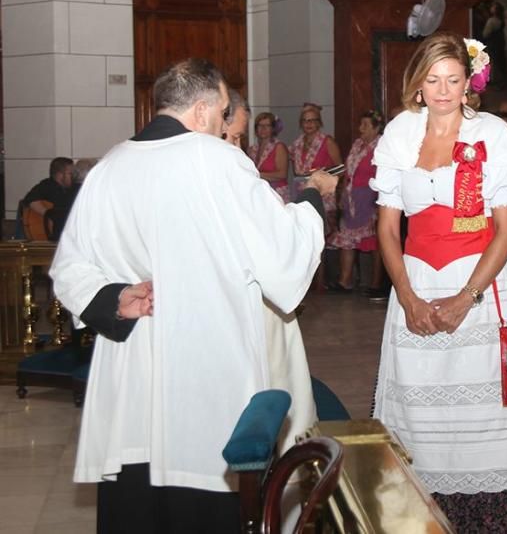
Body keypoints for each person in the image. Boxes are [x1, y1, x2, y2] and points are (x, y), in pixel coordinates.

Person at [48, 58, 334, 533]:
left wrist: (115, 298)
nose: (225, 126)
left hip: (131, 372)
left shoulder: (108, 166)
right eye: (224, 114)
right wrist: (312, 201)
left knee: (137, 505)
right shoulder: (218, 161)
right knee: (203, 505)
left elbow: (70, 267)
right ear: (202, 112)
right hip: (206, 375)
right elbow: (282, 257)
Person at [370, 32, 507, 532]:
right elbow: (387, 227)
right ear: (417, 85)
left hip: (481, 284)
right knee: (420, 399)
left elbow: (506, 231)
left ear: (469, 83)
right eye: (432, 80)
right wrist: (406, 295)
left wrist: (467, 298)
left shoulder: (492, 133)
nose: (443, 90)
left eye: (453, 79)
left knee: (486, 401)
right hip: (416, 277)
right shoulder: (401, 132)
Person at [221, 95, 319, 453]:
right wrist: (313, 196)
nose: (239, 147)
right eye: (233, 137)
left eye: (241, 139)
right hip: (248, 298)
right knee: (275, 371)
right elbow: (279, 251)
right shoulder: (231, 171)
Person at [333, 110, 384, 295]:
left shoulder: (381, 146)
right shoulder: (357, 144)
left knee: (374, 241)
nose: (360, 129)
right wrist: (342, 195)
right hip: (352, 197)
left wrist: (379, 204)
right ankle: (344, 280)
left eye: (365, 125)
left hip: (370, 197)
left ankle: (376, 283)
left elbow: (382, 174)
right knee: (347, 239)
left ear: (376, 127)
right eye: (360, 124)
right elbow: (348, 171)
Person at [290, 103, 342, 237]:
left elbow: (340, 168)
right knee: (304, 234)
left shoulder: (327, 141)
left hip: (322, 193)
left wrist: (320, 173)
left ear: (319, 123)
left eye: (312, 120)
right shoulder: (296, 144)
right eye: (305, 120)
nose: (309, 124)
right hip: (301, 192)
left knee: (320, 235)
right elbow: (296, 171)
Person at [22, 157, 74, 241]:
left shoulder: (71, 188)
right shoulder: (47, 186)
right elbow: (30, 200)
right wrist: (49, 215)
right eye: (70, 173)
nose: (72, 176)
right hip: (50, 238)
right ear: (60, 174)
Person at [248, 111, 290, 202]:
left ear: (273, 129)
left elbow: (282, 174)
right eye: (260, 125)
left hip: (277, 192)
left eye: (267, 126)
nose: (263, 128)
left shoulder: (279, 147)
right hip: (260, 192)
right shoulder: (252, 149)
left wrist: (258, 174)